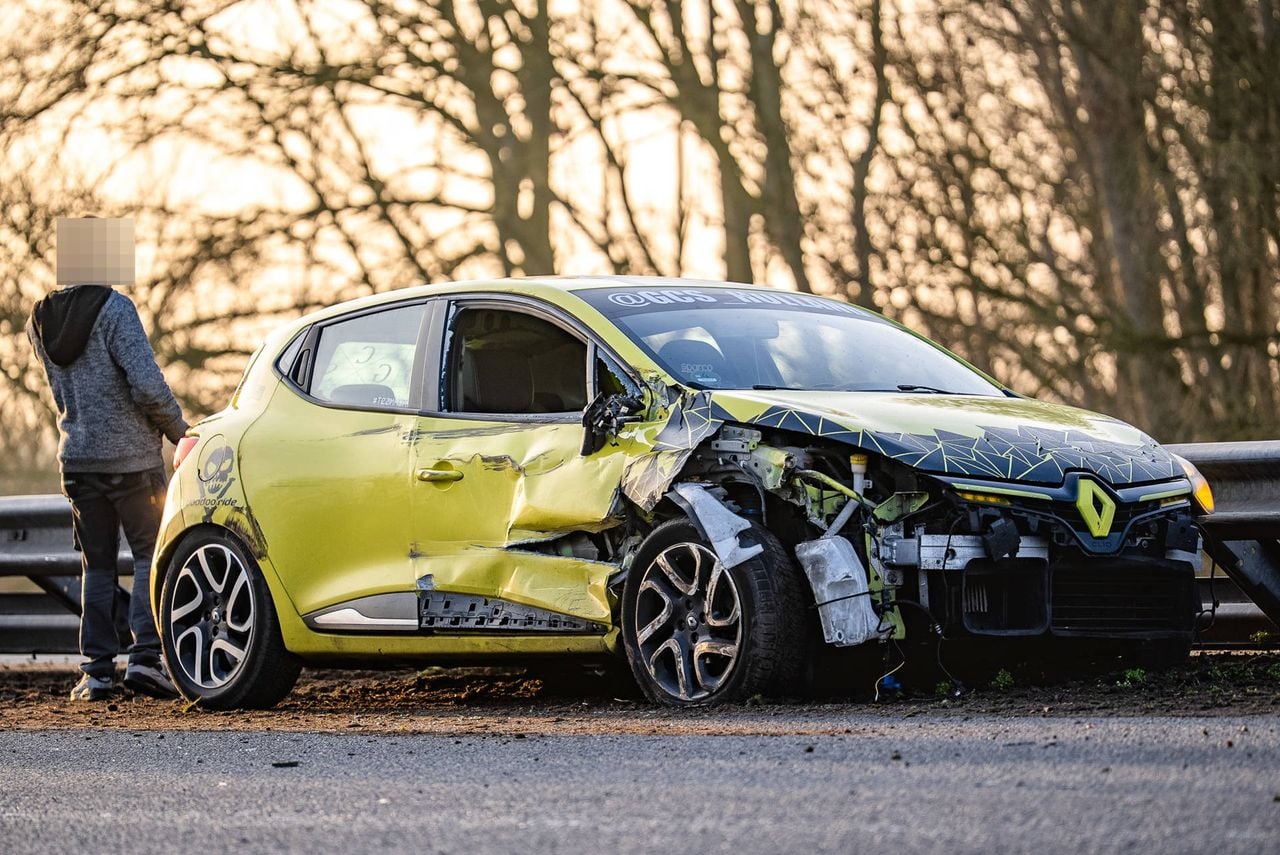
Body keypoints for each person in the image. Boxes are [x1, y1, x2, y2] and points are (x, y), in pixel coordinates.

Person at [27, 281, 189, 701]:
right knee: (146, 558)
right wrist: (179, 431)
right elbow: (147, 386)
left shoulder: (39, 319)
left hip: (78, 462)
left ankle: (96, 674)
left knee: (96, 567)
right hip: (132, 461)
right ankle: (145, 661)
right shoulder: (115, 309)